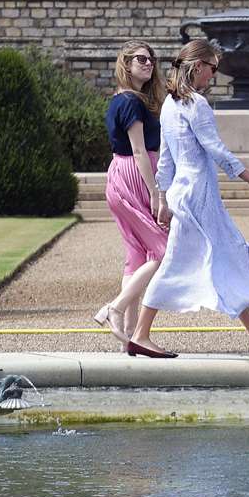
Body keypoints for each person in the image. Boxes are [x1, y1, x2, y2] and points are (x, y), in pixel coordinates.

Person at [126, 39, 249, 359]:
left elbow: (165, 159)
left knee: (226, 254)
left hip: (186, 194)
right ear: (198, 66)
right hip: (197, 198)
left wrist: (163, 198)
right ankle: (140, 334)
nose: (214, 75)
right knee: (179, 262)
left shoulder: (169, 105)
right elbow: (216, 149)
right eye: (213, 68)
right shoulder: (195, 104)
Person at [93, 41, 169, 344]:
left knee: (137, 254)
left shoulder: (122, 100)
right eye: (141, 59)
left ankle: (131, 337)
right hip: (135, 175)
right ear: (126, 64)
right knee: (163, 251)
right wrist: (155, 193)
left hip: (122, 173)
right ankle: (116, 307)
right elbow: (139, 150)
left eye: (151, 59)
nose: (148, 64)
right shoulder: (131, 102)